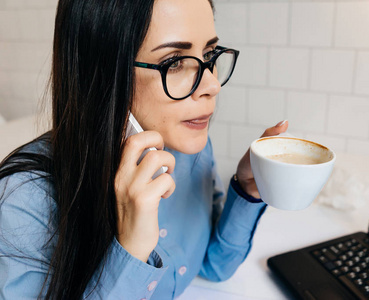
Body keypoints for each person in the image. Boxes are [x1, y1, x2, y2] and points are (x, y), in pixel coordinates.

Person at [0, 0, 288, 299]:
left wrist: (247, 191)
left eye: (208, 54)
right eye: (174, 62)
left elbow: (215, 266)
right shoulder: (22, 200)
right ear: (103, 71)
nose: (212, 85)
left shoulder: (191, 149)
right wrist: (130, 251)